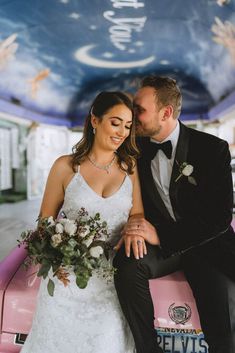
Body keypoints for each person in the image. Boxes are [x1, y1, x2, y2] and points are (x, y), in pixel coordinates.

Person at [113, 75, 235, 353]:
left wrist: (161, 234)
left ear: (166, 112)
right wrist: (134, 221)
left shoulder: (212, 150)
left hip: (206, 243)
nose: (133, 116)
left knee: (220, 308)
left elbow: (219, 218)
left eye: (139, 109)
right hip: (160, 247)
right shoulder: (134, 149)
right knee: (126, 265)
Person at [20, 91, 145, 353]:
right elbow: (45, 223)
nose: (122, 132)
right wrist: (63, 244)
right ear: (95, 120)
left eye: (128, 126)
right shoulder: (64, 167)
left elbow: (137, 214)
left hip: (110, 280)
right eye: (115, 122)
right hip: (65, 281)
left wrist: (135, 230)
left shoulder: (130, 167)